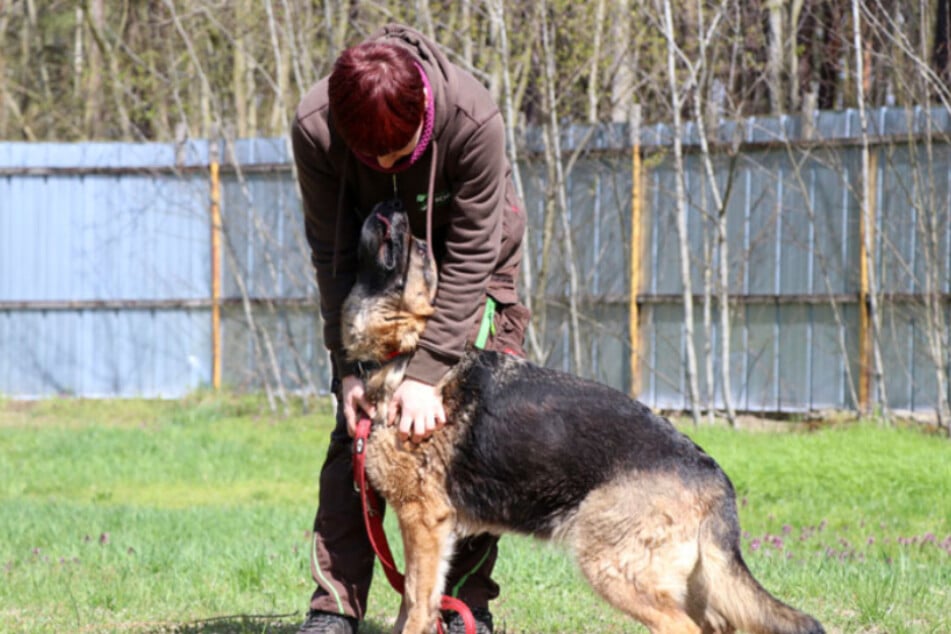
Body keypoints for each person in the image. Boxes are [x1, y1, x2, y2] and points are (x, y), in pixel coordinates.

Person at [291, 23, 531, 634]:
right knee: (359, 437)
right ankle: (334, 609)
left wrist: (427, 375)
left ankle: (462, 607)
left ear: (424, 109)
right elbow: (331, 253)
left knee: (473, 438)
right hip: (378, 274)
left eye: (394, 156)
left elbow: (476, 257)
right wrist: (346, 368)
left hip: (471, 264)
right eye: (368, 158)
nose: (381, 166)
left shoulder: (473, 121)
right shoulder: (316, 125)